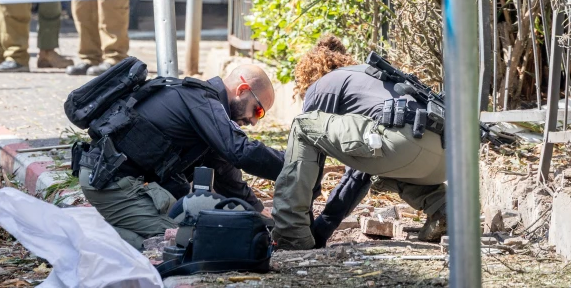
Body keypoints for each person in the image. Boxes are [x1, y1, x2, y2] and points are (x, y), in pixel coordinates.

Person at [75, 64, 285, 249]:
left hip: (121, 181)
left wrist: (256, 212)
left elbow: (225, 171)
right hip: (110, 183)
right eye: (258, 111)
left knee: (202, 224)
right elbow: (242, 152)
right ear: (242, 89)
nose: (254, 122)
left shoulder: (206, 108)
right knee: (187, 240)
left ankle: (115, 224)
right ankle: (87, 235)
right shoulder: (201, 101)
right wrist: (294, 163)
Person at [270, 36, 448, 250]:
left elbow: (315, 168)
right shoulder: (371, 79)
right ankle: (443, 208)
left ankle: (291, 233)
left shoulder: (321, 86)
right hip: (447, 158)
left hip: (404, 143)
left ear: (309, 74)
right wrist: (324, 227)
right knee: (383, 158)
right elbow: (359, 172)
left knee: (302, 126)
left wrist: (317, 230)